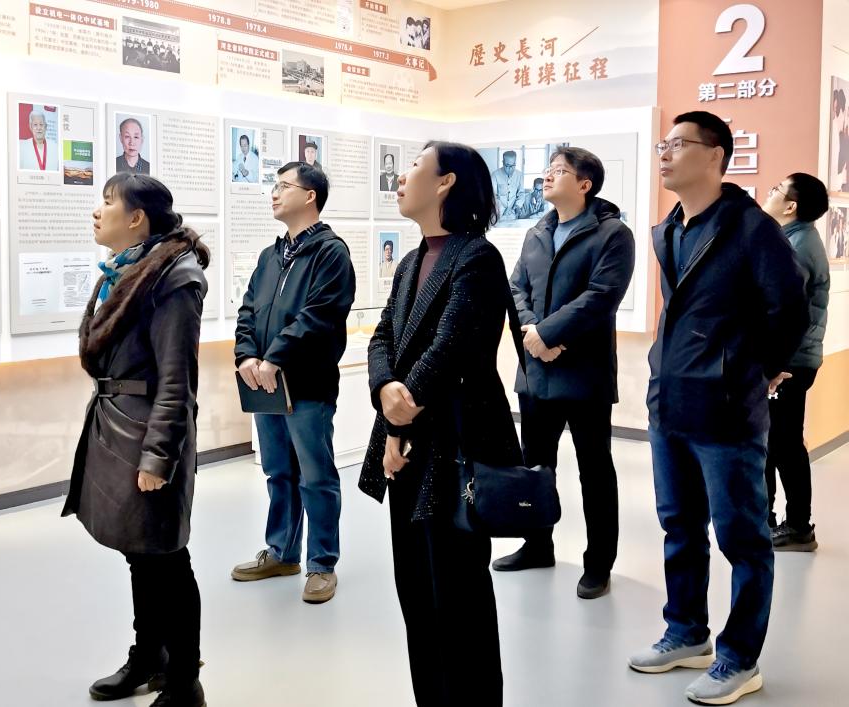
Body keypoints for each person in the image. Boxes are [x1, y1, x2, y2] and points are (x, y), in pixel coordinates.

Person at [629, 111, 807, 705]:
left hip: (727, 410)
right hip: (671, 401)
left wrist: (757, 369)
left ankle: (739, 658)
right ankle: (686, 632)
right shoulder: (669, 230)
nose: (665, 154)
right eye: (663, 144)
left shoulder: (753, 229)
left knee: (742, 539)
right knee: (679, 527)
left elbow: (789, 309)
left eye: (678, 144)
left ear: (714, 156)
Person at [359, 141, 524, 707]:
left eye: (414, 166)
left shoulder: (477, 257)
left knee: (458, 596)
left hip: (455, 446)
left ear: (446, 182)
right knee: (416, 594)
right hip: (405, 446)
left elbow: (453, 347)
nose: (402, 177)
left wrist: (402, 408)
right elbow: (383, 336)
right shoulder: (411, 261)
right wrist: (386, 392)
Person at [62, 173, 211, 707]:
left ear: (136, 218)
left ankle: (185, 682)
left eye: (108, 202)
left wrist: (158, 457)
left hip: (148, 431)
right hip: (118, 426)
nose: (97, 211)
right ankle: (149, 656)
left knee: (167, 557)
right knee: (139, 553)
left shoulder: (173, 279)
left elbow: (177, 381)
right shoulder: (126, 272)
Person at [493, 147, 635, 601]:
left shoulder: (613, 234)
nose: (547, 176)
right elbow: (516, 287)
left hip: (584, 372)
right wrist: (532, 332)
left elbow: (602, 296)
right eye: (548, 169)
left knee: (595, 470)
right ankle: (537, 545)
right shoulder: (538, 231)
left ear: (585, 184)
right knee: (535, 466)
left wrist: (550, 334)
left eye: (558, 171)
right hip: (536, 371)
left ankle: (599, 563)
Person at [232, 162, 355, 604]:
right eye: (274, 186)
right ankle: (282, 552)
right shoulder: (271, 256)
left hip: (306, 384)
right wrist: (247, 355)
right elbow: (248, 310)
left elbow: (319, 317)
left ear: (310, 196)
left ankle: (322, 563)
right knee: (278, 472)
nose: (274, 193)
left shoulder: (330, 253)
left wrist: (275, 358)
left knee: (315, 476)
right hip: (265, 384)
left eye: (283, 186)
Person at [761, 173, 830, 551]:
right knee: (775, 441)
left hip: (789, 361)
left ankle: (799, 526)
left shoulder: (797, 246)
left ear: (791, 206)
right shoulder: (791, 238)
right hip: (790, 358)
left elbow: (782, 311)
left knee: (784, 443)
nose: (770, 192)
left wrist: (771, 363)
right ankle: (767, 519)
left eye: (777, 189)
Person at [491, 150, 522, 220]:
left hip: (513, 213)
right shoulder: (495, 175)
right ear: (503, 163)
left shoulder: (519, 175)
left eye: (513, 165)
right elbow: (493, 195)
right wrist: (503, 209)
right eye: (507, 165)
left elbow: (521, 193)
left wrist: (517, 206)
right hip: (498, 213)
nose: (510, 169)